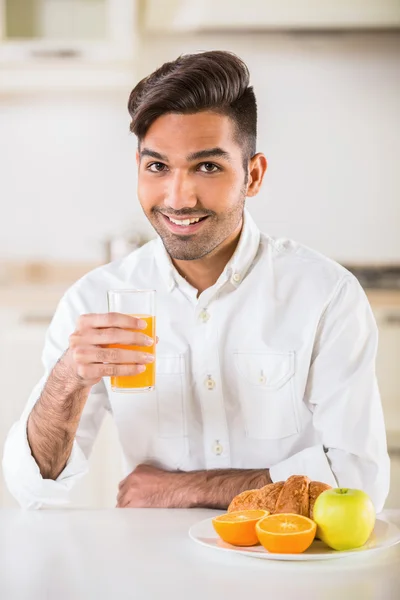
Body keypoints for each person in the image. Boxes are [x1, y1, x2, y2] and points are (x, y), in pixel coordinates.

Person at [3, 51, 389, 511]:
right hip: (153, 572)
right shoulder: (94, 300)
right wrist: (67, 380)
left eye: (208, 167)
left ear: (254, 175)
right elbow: (32, 488)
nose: (178, 197)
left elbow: (358, 482)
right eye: (158, 166)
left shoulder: (325, 296)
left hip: (286, 562)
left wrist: (182, 488)